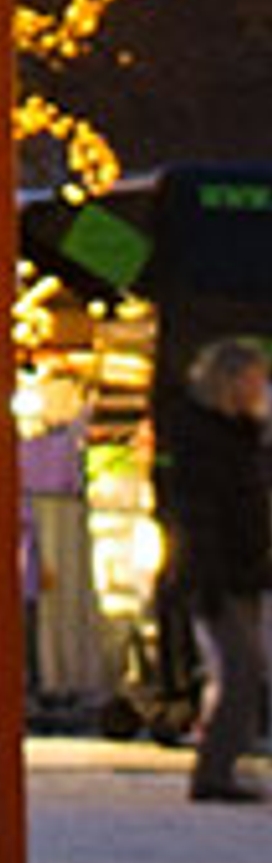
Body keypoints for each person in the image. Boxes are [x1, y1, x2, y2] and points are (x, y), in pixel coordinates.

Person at [159, 332, 272, 807]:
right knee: (241, 668)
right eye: (255, 379)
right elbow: (201, 512)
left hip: (239, 567)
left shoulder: (239, 435)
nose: (260, 388)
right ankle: (215, 770)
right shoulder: (208, 440)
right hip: (216, 571)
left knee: (242, 668)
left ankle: (223, 764)